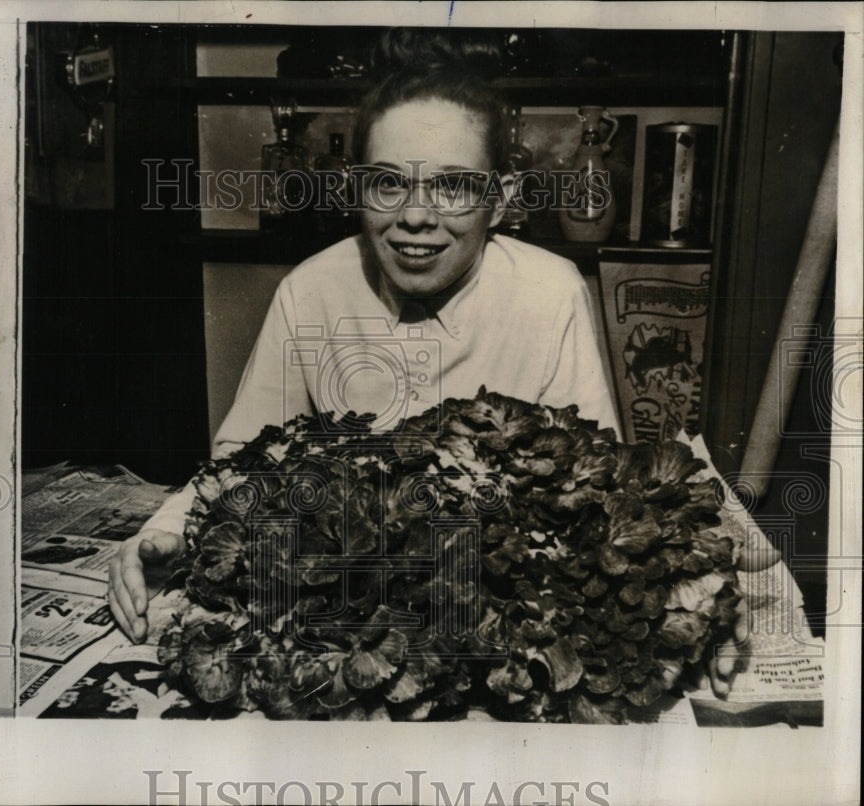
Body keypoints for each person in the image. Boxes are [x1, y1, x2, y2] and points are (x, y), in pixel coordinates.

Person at [107, 37, 752, 695]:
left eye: (452, 185)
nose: (416, 216)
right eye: (388, 182)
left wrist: (694, 595)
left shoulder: (551, 291)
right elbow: (241, 460)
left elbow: (604, 497)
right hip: (351, 620)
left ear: (500, 199)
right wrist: (164, 532)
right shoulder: (311, 289)